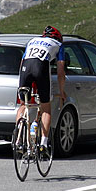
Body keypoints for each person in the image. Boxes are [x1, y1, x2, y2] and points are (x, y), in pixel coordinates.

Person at [16, 26, 67, 156]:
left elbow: (22, 62)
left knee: (23, 104)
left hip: (25, 68)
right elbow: (60, 71)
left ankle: (19, 138)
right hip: (41, 67)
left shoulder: (32, 41)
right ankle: (43, 144)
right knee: (46, 108)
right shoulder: (58, 44)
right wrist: (62, 91)